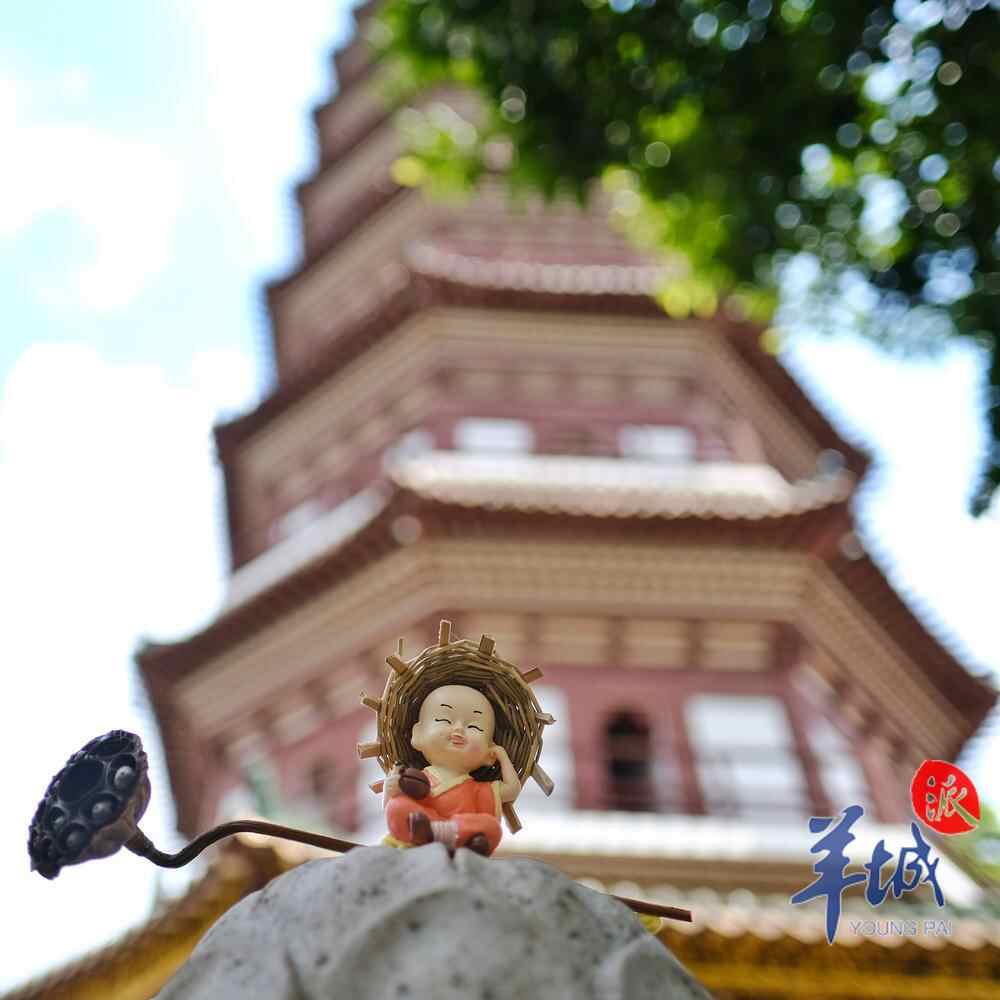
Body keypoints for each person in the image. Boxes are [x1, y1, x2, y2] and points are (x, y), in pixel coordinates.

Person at [383, 684, 522, 855]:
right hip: (420, 822)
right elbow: (391, 808)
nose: (458, 729)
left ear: (488, 753)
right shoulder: (415, 779)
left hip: (457, 832)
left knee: (491, 827)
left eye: (474, 727)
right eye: (445, 720)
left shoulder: (477, 789)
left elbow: (512, 789)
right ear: (418, 734)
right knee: (396, 806)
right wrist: (389, 790)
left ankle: (436, 833)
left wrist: (502, 756)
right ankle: (428, 831)